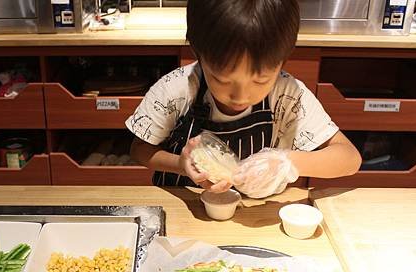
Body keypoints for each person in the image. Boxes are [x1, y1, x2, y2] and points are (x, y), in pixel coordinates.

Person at [126, 0, 361, 198]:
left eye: (260, 81)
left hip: (256, 216)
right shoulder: (175, 89)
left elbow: (349, 159)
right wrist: (181, 165)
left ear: (283, 59)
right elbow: (139, 150)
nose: (241, 96)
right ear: (199, 52)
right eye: (222, 80)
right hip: (182, 209)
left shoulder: (287, 95)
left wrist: (287, 161)